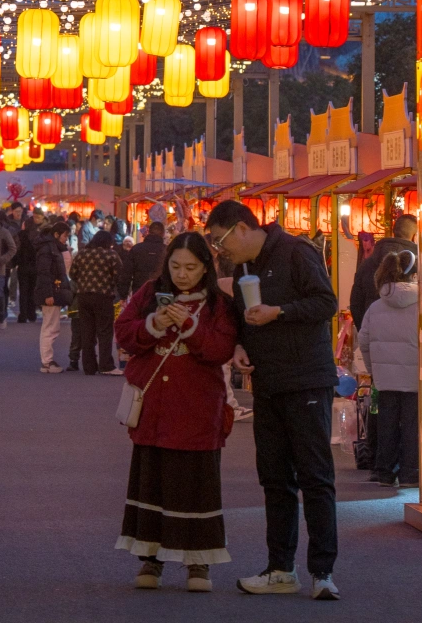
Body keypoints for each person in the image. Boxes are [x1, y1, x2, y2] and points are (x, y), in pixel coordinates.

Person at [206, 200, 339, 602]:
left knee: (315, 477)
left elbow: (326, 303)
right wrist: (240, 345)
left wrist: (278, 312)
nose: (219, 250)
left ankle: (323, 571)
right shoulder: (243, 267)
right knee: (275, 479)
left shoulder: (297, 252)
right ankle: (280, 568)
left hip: (306, 380)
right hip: (266, 383)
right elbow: (242, 318)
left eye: (220, 241)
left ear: (241, 228)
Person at [115, 232, 237, 592]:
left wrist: (188, 326)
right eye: (176, 266)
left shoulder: (218, 304)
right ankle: (150, 558)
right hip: (153, 406)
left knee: (196, 483)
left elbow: (220, 349)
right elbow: (123, 333)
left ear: (206, 268)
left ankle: (199, 562)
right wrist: (154, 324)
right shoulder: (149, 293)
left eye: (191, 267)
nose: (182, 274)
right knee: (151, 480)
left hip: (197, 408)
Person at [357, 249, 419, 488]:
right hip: (415, 377)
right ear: (413, 275)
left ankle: (384, 472)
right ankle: (410, 473)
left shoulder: (375, 307)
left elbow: (364, 340)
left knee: (386, 424)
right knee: (412, 425)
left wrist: (374, 369)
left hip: (385, 379)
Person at [349, 214, 418, 330]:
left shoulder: (366, 265)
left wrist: (366, 330)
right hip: (411, 333)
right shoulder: (419, 266)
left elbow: (356, 303)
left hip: (374, 331)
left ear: (393, 232)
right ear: (414, 236)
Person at [69, 229, 122, 375]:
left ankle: (89, 366)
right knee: (104, 332)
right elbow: (119, 275)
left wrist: (84, 281)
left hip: (83, 297)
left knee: (87, 331)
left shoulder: (82, 254)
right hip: (103, 296)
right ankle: (106, 365)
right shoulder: (111, 255)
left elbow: (72, 274)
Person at [34, 219, 73, 374]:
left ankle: (47, 361)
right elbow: (44, 273)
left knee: (51, 327)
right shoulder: (48, 249)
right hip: (50, 292)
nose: (66, 239)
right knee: (50, 327)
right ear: (56, 234)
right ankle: (47, 362)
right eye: (65, 236)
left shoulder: (53, 247)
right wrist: (48, 294)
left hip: (53, 291)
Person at [119, 220, 166, 299]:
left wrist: (123, 295)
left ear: (149, 232)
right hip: (160, 294)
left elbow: (126, 273)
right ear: (163, 234)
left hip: (139, 292)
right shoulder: (167, 250)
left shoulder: (136, 249)